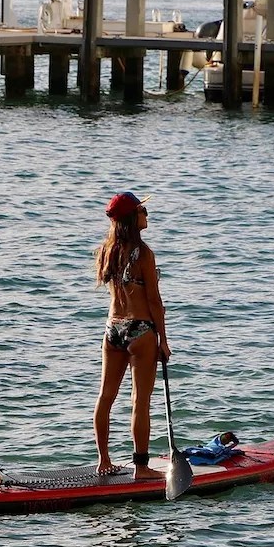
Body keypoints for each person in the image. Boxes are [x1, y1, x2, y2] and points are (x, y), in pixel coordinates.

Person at [93, 191, 171, 479]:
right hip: (140, 330)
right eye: (142, 211)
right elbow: (153, 301)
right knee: (140, 401)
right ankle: (141, 467)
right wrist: (163, 340)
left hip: (112, 328)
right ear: (131, 218)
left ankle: (104, 461)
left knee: (105, 397)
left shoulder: (107, 251)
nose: (147, 215)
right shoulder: (145, 253)